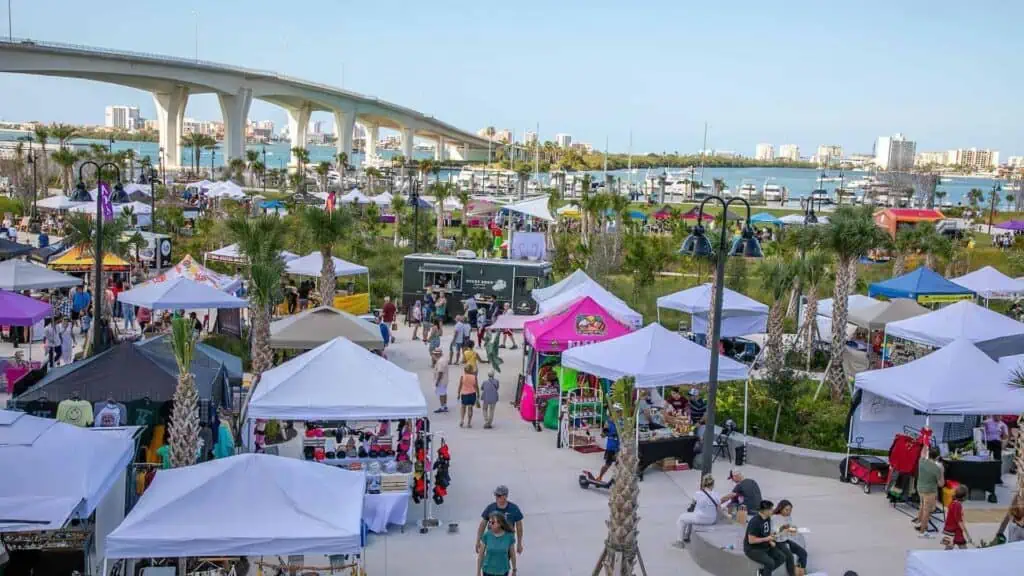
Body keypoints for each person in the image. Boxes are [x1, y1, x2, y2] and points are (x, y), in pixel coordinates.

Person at [476, 485, 524, 557]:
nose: (496, 497)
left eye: (499, 495)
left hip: (506, 543)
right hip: (492, 541)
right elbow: (482, 525)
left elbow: (519, 527)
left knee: (504, 563)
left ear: (505, 496)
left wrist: (519, 543)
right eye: (496, 495)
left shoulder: (514, 509)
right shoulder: (490, 508)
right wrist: (478, 540)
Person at [675, 474, 721, 547]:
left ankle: (679, 541)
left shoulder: (698, 493)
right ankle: (687, 536)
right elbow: (719, 507)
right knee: (690, 516)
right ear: (713, 484)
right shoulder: (716, 494)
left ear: (703, 483)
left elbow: (692, 505)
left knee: (682, 518)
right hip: (712, 519)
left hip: (701, 518)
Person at [744, 500, 787, 576]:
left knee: (782, 557)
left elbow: (767, 532)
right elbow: (751, 540)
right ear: (765, 511)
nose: (773, 511)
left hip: (765, 545)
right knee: (770, 562)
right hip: (753, 549)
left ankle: (762, 573)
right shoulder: (755, 522)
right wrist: (767, 539)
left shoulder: (767, 518)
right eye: (771, 509)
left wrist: (771, 541)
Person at [914, 447, 944, 538]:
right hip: (929, 491)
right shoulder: (937, 468)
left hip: (920, 488)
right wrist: (942, 471)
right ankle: (923, 532)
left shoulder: (921, 461)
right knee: (927, 511)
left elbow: (922, 452)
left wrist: (925, 442)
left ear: (928, 454)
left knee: (922, 505)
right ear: (938, 456)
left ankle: (919, 523)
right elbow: (941, 484)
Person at [773, 499, 808, 572]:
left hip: (786, 540)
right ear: (781, 508)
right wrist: (785, 530)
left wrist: (793, 529)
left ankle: (800, 570)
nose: (788, 512)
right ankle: (792, 573)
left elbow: (790, 529)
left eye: (790, 510)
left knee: (803, 553)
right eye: (787, 510)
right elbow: (775, 534)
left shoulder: (788, 517)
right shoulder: (775, 518)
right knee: (790, 557)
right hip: (777, 542)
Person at [478, 512, 517, 576]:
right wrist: (478, 572)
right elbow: (481, 555)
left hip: (503, 571)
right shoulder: (487, 535)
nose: (490, 524)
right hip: (487, 571)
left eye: (493, 522)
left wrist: (514, 570)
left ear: (500, 523)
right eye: (489, 522)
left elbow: (512, 555)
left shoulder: (509, 537)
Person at [942, 485, 971, 550]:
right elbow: (959, 521)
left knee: (948, 551)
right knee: (964, 551)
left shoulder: (953, 502)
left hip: (948, 531)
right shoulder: (958, 505)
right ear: (964, 496)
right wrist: (968, 535)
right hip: (956, 532)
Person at [459, 364, 480, 428]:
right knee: (470, 408)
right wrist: (478, 393)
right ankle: (469, 423)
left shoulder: (462, 376)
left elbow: (460, 385)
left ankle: (462, 420)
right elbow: (476, 386)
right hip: (472, 394)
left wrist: (458, 393)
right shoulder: (474, 377)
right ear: (471, 370)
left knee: (463, 407)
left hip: (464, 394)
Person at [432, 349, 449, 413]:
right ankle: (445, 405)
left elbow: (440, 373)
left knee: (441, 394)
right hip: (445, 380)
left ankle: (442, 407)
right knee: (444, 393)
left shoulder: (440, 362)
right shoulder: (443, 359)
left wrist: (437, 382)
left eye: (435, 354)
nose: (434, 355)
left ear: (438, 354)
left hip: (441, 381)